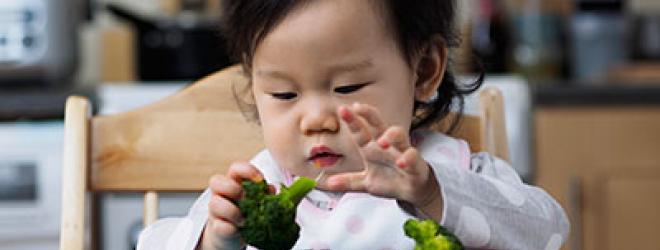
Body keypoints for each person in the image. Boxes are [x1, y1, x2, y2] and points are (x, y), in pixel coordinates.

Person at [137, 0, 569, 249]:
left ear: (424, 71)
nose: (316, 120)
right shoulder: (259, 183)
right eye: (284, 95)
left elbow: (548, 233)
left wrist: (435, 195)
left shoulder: (449, 173)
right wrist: (214, 240)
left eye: (347, 88)